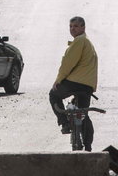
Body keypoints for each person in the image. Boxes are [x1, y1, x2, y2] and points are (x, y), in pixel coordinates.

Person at [49, 16, 98, 151]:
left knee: (53, 95)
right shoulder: (88, 43)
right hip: (87, 86)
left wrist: (58, 80)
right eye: (71, 26)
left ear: (83, 28)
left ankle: (64, 123)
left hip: (75, 82)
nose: (72, 29)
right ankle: (88, 146)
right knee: (84, 114)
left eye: (76, 26)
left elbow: (67, 64)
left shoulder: (79, 41)